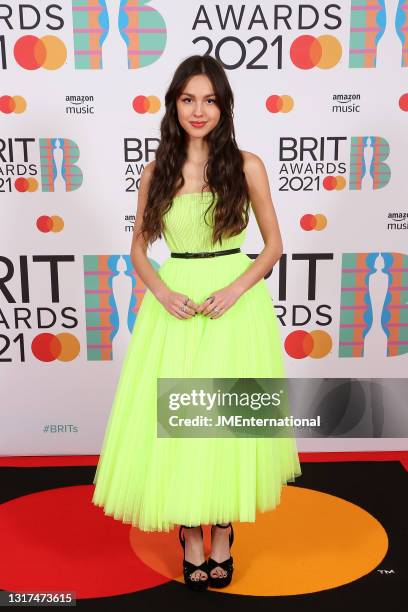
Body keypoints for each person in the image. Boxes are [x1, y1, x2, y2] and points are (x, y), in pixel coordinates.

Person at [92, 54, 302, 591]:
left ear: (224, 106)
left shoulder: (247, 165)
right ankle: (190, 532)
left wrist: (236, 289)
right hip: (176, 307)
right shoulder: (157, 169)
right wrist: (161, 292)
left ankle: (224, 528)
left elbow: (274, 245)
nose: (198, 110)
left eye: (209, 99)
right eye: (188, 99)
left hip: (234, 306)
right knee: (180, 424)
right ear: (174, 105)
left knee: (226, 424)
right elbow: (138, 250)